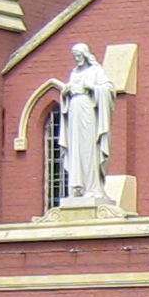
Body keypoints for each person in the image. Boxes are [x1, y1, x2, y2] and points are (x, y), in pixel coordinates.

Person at [61, 42, 114, 203]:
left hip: (88, 109)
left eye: (79, 56)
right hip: (74, 110)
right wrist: (65, 93)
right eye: (74, 56)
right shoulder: (74, 72)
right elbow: (67, 93)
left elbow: (109, 89)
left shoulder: (96, 71)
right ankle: (77, 187)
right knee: (75, 147)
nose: (77, 59)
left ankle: (92, 187)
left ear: (85, 55)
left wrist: (91, 87)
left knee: (89, 147)